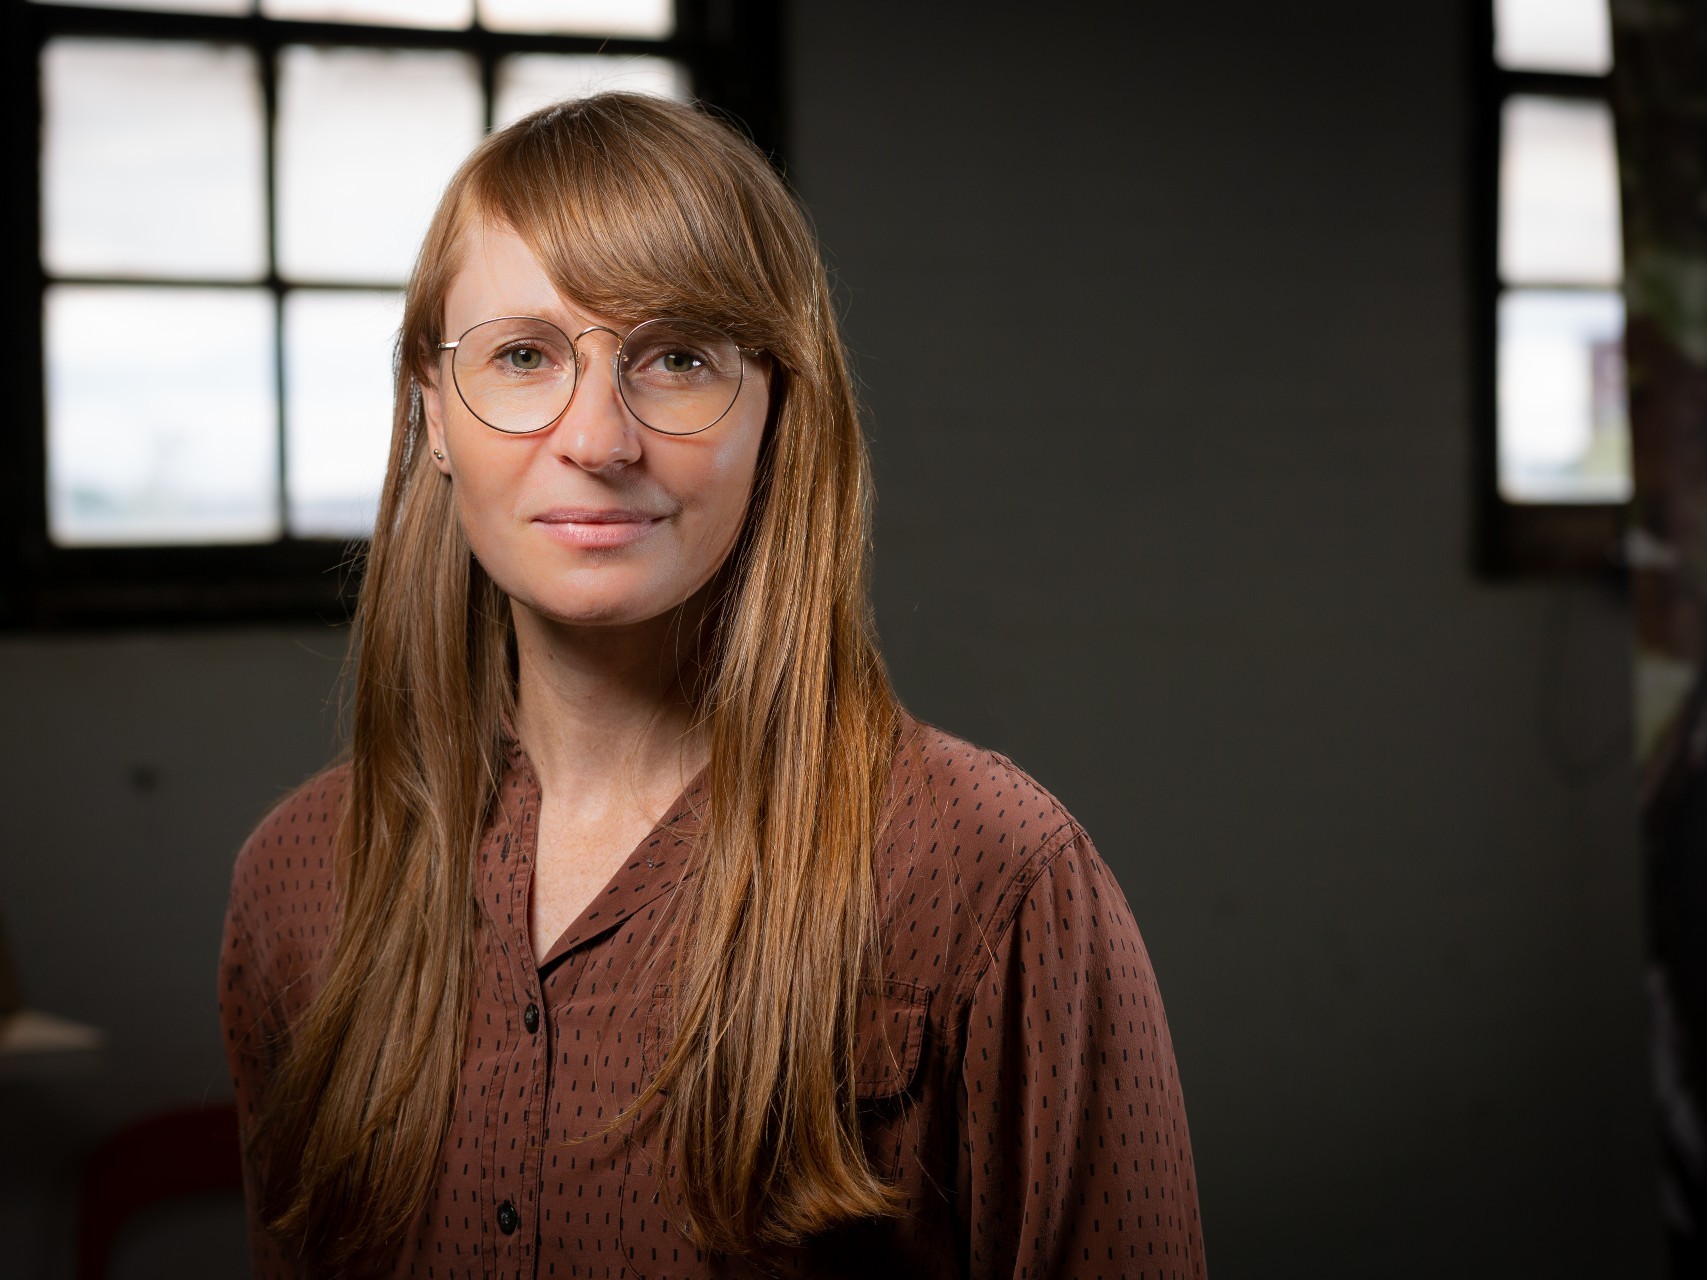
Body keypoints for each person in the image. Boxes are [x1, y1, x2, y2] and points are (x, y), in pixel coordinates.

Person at [219, 92, 1204, 1279]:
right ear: (432, 415)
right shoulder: (299, 877)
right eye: (524, 355)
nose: (598, 436)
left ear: (779, 408)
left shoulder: (991, 877)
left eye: (678, 358)